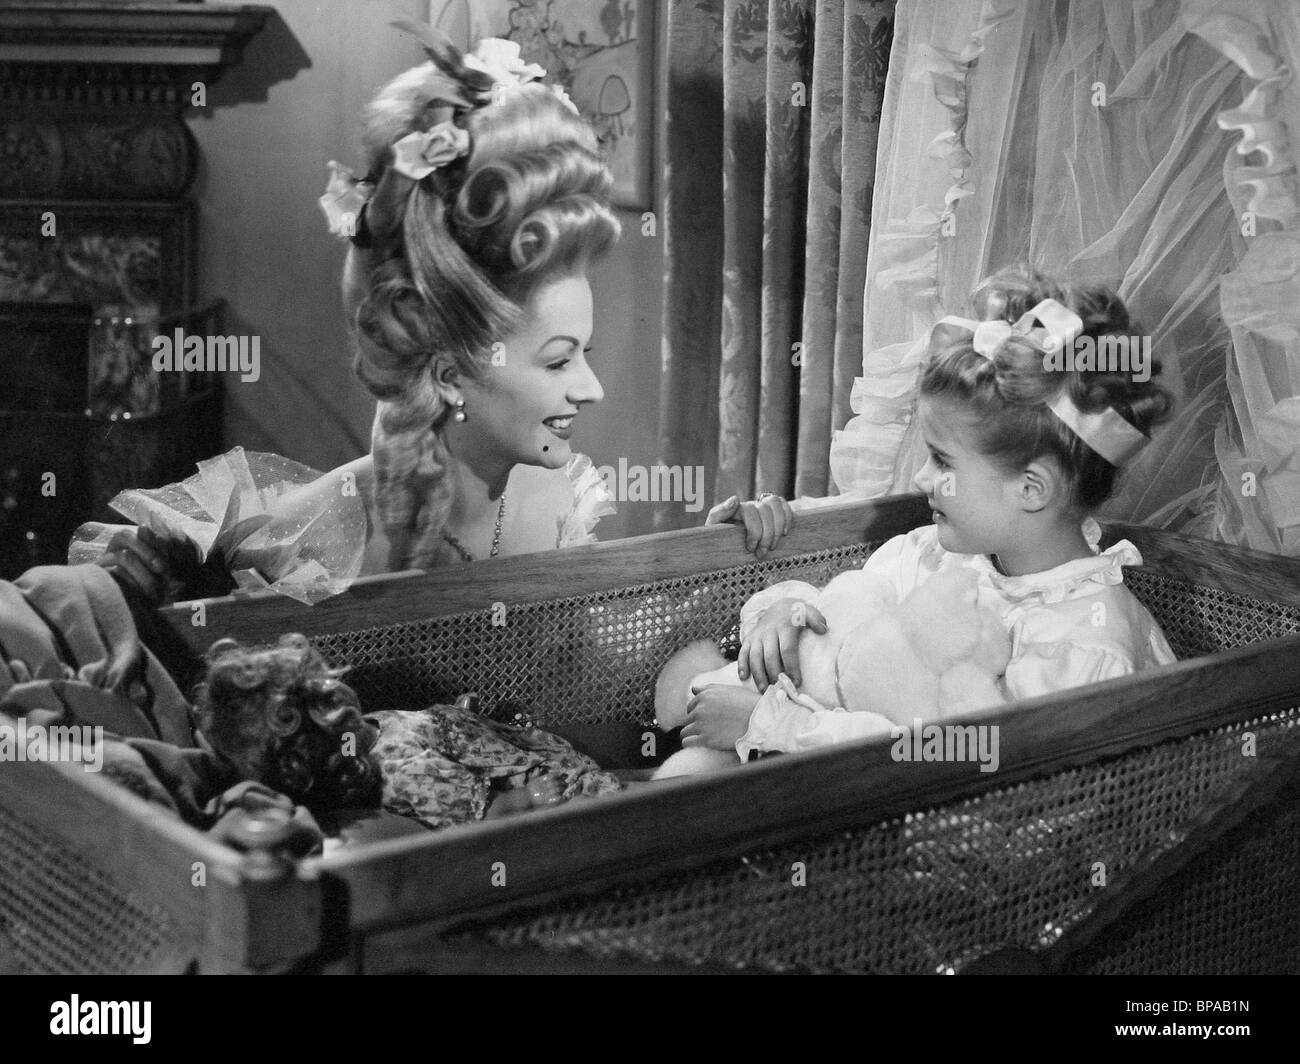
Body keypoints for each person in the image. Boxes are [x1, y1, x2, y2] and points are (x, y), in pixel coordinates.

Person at [91, 30, 792, 602]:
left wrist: (722, 562)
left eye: (584, 353)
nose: (591, 388)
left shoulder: (556, 498)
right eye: (557, 360)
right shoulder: (317, 531)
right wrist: (142, 577)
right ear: (452, 372)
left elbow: (602, 684)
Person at [665, 266, 1179, 763]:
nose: (921, 480)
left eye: (942, 461)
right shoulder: (934, 555)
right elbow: (843, 610)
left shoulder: (1083, 645)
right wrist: (787, 614)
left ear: (1030, 488)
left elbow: (961, 765)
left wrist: (778, 725)